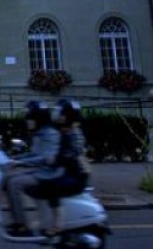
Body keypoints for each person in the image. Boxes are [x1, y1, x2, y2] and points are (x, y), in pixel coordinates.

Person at [34, 98, 91, 237]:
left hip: (77, 175)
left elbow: (73, 153)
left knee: (51, 184)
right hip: (70, 172)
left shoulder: (74, 133)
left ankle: (58, 224)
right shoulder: (64, 131)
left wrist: (56, 159)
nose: (58, 115)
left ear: (68, 115)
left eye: (61, 113)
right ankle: (44, 219)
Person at [4, 100, 60, 237]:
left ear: (38, 118)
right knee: (7, 180)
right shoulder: (39, 133)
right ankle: (19, 221)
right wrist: (14, 158)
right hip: (41, 171)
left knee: (14, 183)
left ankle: (22, 226)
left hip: (49, 173)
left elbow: (46, 158)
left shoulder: (50, 134)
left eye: (30, 117)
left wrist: (19, 163)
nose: (27, 120)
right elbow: (34, 154)